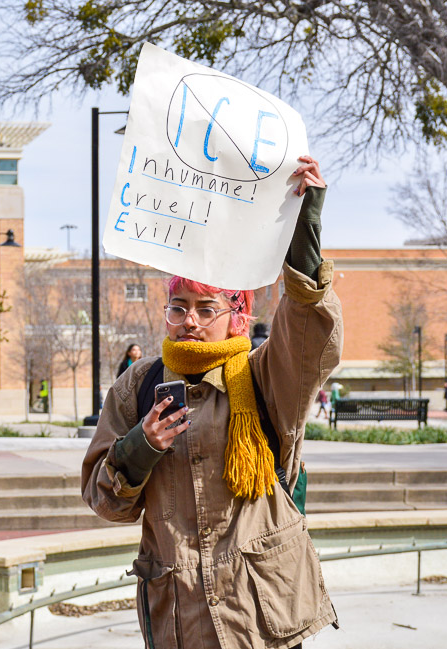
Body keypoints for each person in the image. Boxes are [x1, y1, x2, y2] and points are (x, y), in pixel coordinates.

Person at [82, 156, 341, 649]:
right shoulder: (136, 386)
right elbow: (104, 500)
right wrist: (140, 447)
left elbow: (309, 335)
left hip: (261, 612)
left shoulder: (267, 375)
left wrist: (305, 225)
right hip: (180, 615)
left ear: (237, 317)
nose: (191, 322)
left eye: (207, 308)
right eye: (178, 307)